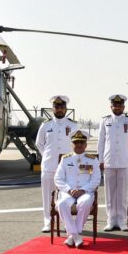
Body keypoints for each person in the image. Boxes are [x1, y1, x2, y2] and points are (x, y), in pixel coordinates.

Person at [36, 95, 78, 232]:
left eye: (62, 107)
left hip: (67, 167)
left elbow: (77, 144)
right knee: (48, 195)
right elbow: (39, 143)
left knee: (66, 195)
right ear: (53, 108)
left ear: (66, 108)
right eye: (56, 107)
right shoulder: (46, 124)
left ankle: (66, 221)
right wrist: (47, 156)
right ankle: (48, 221)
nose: (59, 109)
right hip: (49, 165)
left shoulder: (73, 125)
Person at [98, 94, 128, 231]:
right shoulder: (105, 121)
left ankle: (121, 220)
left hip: (124, 161)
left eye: (120, 105)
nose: (117, 108)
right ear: (111, 106)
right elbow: (101, 142)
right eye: (115, 105)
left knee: (122, 192)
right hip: (108, 160)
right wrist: (101, 160)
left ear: (123, 107)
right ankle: (111, 219)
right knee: (109, 192)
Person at [54, 130, 101, 248]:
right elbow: (58, 179)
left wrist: (83, 190)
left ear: (86, 145)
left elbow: (96, 179)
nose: (79, 144)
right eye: (76, 142)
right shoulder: (65, 159)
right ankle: (76, 236)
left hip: (85, 192)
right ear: (72, 144)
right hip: (68, 192)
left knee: (85, 203)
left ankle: (72, 236)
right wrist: (69, 190)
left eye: (81, 142)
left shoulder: (92, 160)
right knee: (61, 204)